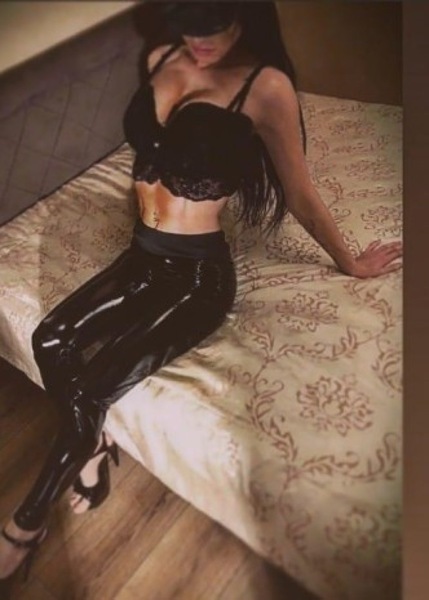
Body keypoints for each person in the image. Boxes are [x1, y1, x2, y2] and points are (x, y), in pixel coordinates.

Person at [0, 0, 402, 582]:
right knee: (49, 337)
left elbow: (300, 193)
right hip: (140, 256)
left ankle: (26, 524)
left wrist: (351, 262)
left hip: (196, 278)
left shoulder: (266, 86)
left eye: (216, 26)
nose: (201, 41)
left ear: (245, 16)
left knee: (90, 389)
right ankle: (94, 445)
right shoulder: (161, 57)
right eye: (191, 25)